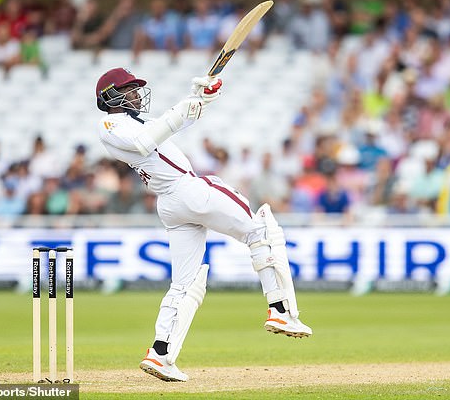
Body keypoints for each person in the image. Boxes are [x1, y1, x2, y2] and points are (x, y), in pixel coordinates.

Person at [96, 68, 312, 382]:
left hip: (173, 204)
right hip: (187, 191)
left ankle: (161, 354)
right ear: (111, 96)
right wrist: (184, 105)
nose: (135, 94)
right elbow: (146, 142)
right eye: (129, 89)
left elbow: (169, 125)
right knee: (261, 229)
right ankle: (281, 311)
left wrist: (200, 99)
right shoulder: (110, 124)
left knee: (186, 284)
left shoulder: (132, 121)